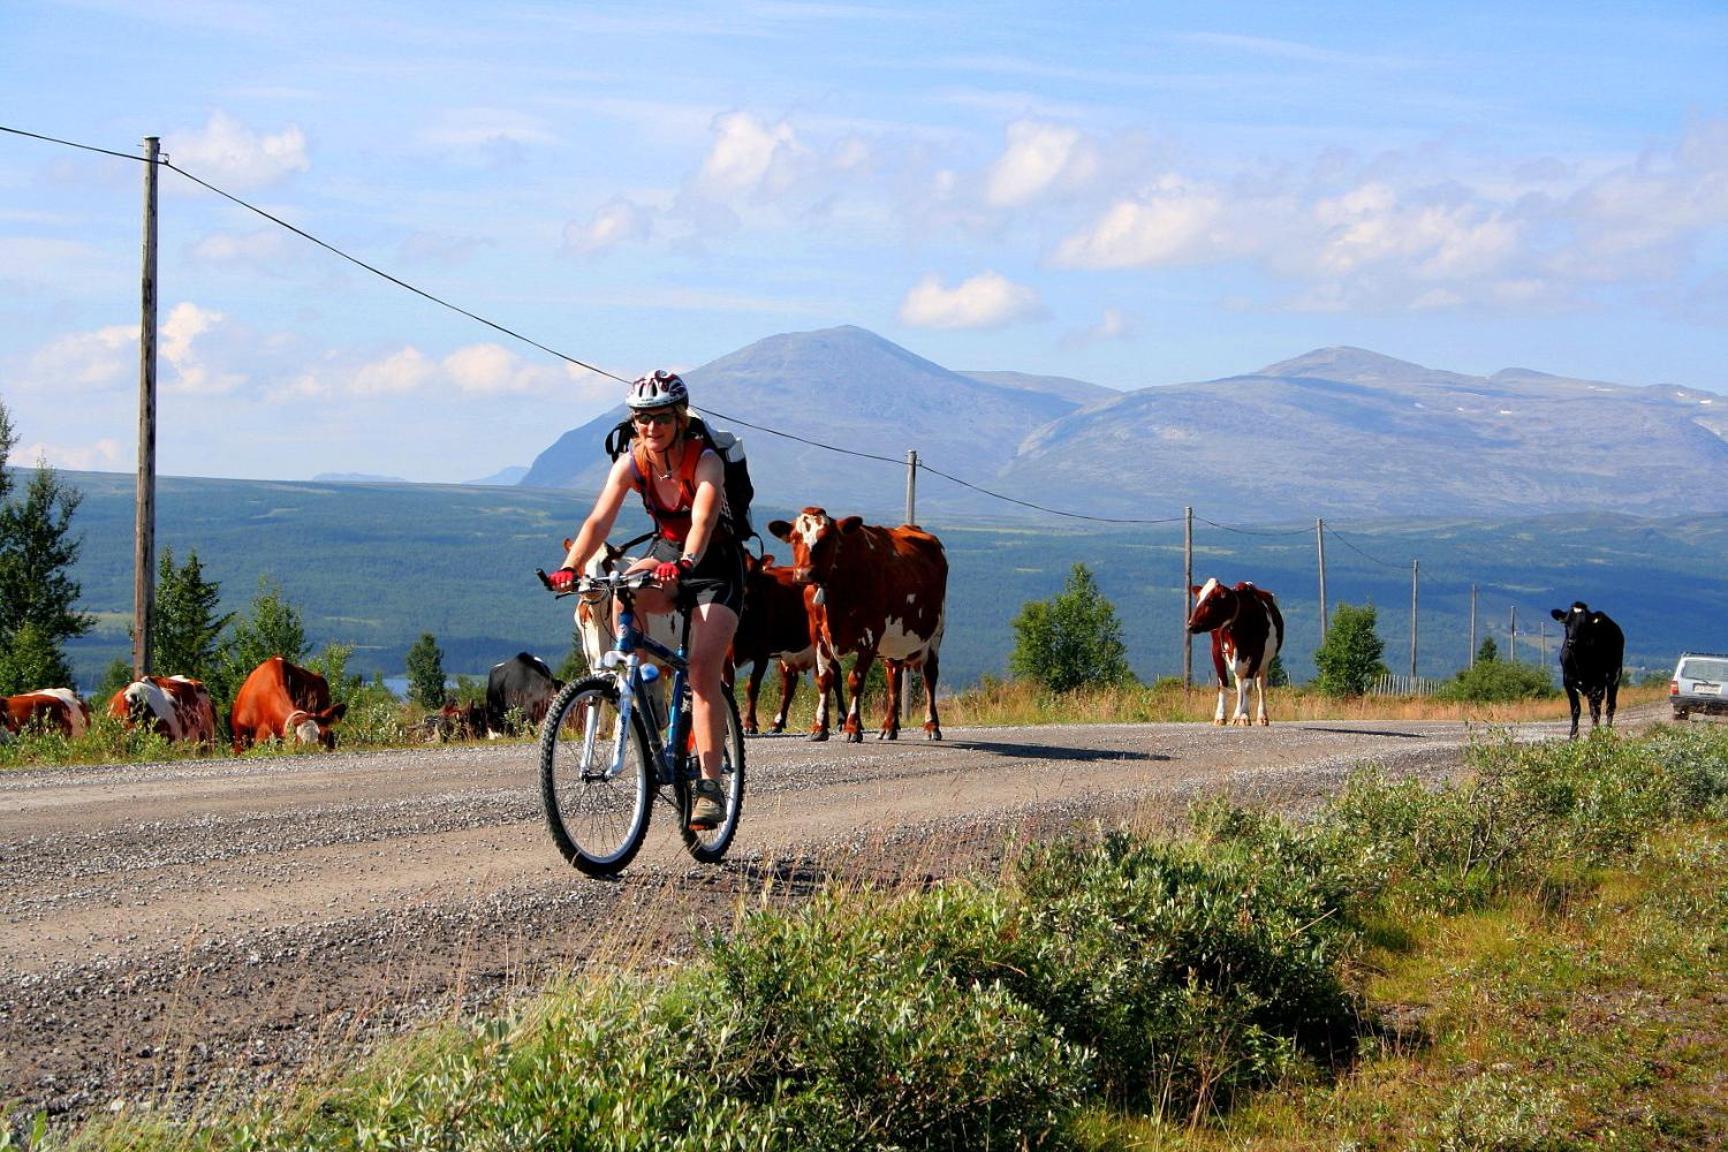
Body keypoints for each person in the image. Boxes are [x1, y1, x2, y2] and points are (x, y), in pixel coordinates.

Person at [548, 370, 743, 829]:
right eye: (641, 419)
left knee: (701, 672)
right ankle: (647, 699)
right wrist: (572, 567)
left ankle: (710, 786)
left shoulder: (705, 460)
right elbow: (600, 518)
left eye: (659, 418)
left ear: (678, 418)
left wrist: (689, 560)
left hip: (714, 564)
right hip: (669, 555)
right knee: (621, 596)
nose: (650, 428)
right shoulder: (633, 461)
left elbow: (704, 516)